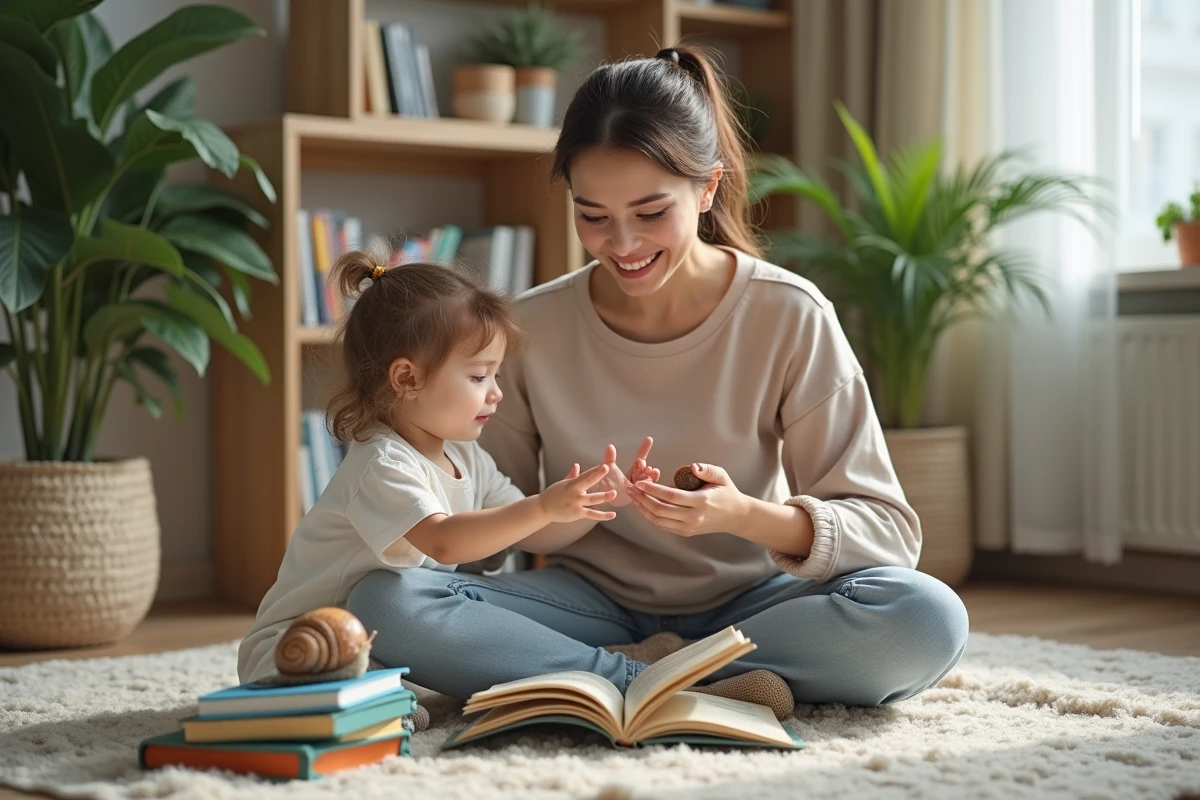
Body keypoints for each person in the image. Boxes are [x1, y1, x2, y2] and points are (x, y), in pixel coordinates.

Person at [347, 45, 970, 717]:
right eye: (592, 215)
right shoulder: (527, 330)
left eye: (650, 213)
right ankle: (650, 677)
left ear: (707, 189)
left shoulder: (790, 315)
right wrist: (554, 509)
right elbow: (474, 529)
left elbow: (888, 533)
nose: (622, 244)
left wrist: (743, 516)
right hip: (585, 607)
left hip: (757, 610)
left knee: (926, 617)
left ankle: (603, 682)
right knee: (380, 603)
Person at [236, 249, 627, 711]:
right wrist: (542, 505)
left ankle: (609, 664)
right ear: (407, 378)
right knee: (387, 610)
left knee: (473, 615)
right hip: (301, 644)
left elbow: (535, 533)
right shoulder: (381, 463)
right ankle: (623, 678)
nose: (497, 391)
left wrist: (593, 502)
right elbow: (443, 541)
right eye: (479, 375)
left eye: (496, 374)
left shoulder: (466, 455)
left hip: (387, 636)